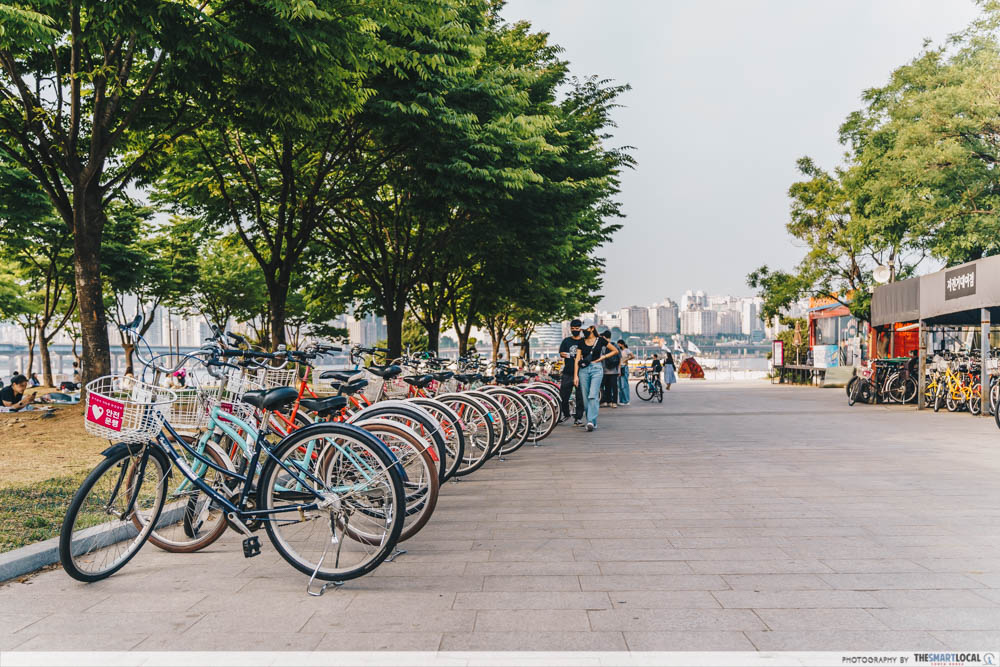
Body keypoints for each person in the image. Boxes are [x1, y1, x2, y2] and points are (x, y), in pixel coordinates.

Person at [573, 325, 619, 432]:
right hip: (583, 370)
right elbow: (577, 360)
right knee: (585, 398)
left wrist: (603, 357)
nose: (584, 331)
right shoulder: (581, 342)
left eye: (586, 329)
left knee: (593, 395)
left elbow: (615, 350)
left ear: (592, 328)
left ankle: (590, 421)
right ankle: (592, 421)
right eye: (583, 329)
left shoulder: (600, 340)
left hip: (596, 369)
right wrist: (575, 375)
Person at [558, 319, 585, 425]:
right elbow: (561, 353)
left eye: (577, 329)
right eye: (573, 329)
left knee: (580, 397)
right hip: (568, 372)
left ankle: (578, 418)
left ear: (580, 329)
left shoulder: (583, 341)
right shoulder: (566, 341)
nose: (574, 330)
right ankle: (566, 414)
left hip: (581, 372)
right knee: (563, 395)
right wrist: (570, 355)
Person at [600, 331, 620, 408]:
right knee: (613, 387)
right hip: (614, 370)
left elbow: (600, 358)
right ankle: (613, 402)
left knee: (605, 386)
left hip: (604, 370)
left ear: (604, 337)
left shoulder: (602, 346)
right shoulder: (615, 345)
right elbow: (619, 358)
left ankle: (607, 401)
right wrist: (619, 370)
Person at [617, 340, 633, 405]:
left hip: (624, 368)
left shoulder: (626, 350)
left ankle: (626, 400)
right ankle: (622, 400)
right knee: (620, 385)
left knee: (624, 385)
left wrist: (626, 359)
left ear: (622, 344)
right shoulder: (619, 351)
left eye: (619, 344)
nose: (618, 345)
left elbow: (632, 356)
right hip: (620, 368)